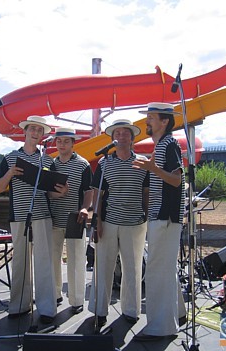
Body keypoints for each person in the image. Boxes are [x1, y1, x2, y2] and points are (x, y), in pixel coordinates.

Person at [0, 115, 62, 324]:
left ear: (43, 135)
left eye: (39, 130)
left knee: (44, 262)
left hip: (42, 215)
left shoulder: (48, 160)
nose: (35, 133)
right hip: (19, 216)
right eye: (32, 129)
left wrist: (61, 192)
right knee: (21, 261)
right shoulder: (10, 158)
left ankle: (46, 308)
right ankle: (19, 305)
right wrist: (11, 173)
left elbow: (51, 193)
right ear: (25, 132)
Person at [88, 119, 149, 327]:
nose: (121, 136)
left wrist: (146, 216)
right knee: (103, 265)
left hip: (135, 223)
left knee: (132, 268)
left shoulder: (143, 162)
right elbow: (97, 194)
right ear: (113, 137)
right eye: (118, 133)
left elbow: (146, 193)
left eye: (126, 133)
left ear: (132, 138)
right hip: (109, 221)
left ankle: (131, 310)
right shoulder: (105, 163)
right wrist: (97, 220)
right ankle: (99, 309)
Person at [132, 102, 186, 341]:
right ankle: (178, 314)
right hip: (162, 216)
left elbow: (176, 180)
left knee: (157, 271)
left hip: (165, 216)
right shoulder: (163, 145)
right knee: (164, 269)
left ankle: (161, 327)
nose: (147, 121)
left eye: (151, 117)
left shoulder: (169, 144)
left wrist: (153, 168)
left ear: (164, 121)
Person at [48, 127, 93, 315]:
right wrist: (60, 194)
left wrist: (84, 208)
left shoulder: (83, 165)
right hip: (54, 217)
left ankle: (76, 299)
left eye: (66, 141)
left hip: (75, 217)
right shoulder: (51, 165)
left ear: (73, 143)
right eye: (59, 141)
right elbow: (48, 192)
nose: (62, 144)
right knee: (53, 258)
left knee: (76, 259)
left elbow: (88, 191)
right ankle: (55, 293)